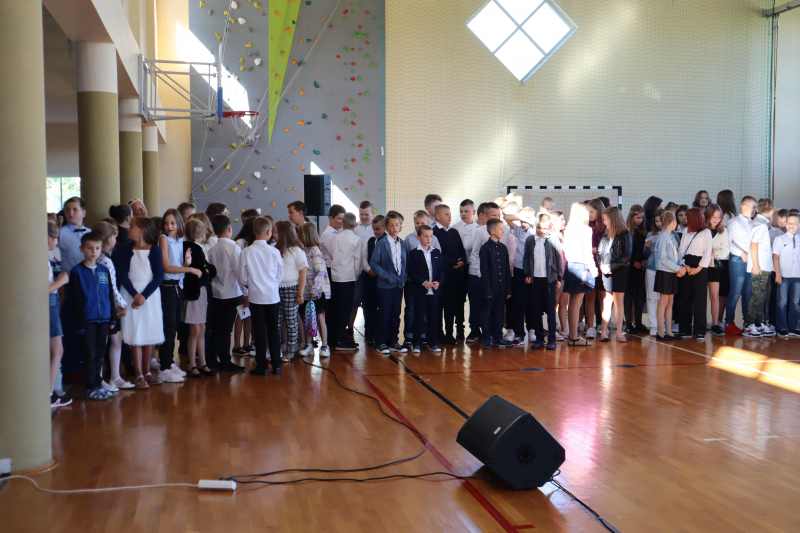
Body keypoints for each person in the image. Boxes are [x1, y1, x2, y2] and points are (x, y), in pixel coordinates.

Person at [113, 217, 165, 389]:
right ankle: (138, 374)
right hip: (130, 294)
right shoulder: (124, 249)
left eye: (132, 227)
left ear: (142, 230)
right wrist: (135, 295)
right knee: (135, 332)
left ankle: (147, 370)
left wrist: (144, 296)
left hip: (150, 296)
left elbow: (158, 276)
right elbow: (122, 275)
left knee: (149, 331)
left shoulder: (154, 249)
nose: (129, 229)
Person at [65, 232, 116, 400]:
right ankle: (91, 386)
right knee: (90, 353)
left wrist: (113, 317)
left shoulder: (104, 270)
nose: (94, 252)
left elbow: (109, 294)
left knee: (100, 353)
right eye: (90, 248)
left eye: (97, 248)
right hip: (87, 319)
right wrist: (78, 322)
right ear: (82, 249)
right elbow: (73, 299)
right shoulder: (77, 272)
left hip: (104, 318)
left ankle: (98, 383)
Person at [158, 209, 199, 383]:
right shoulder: (163, 239)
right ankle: (164, 366)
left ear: (179, 224)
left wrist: (186, 262)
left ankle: (168, 361)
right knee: (168, 326)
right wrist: (189, 269)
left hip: (177, 286)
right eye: (167, 223)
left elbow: (178, 265)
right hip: (167, 287)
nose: (169, 226)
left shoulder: (179, 240)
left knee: (174, 326)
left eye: (173, 223)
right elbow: (166, 267)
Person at [239, 217, 283, 375]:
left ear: (253, 232)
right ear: (269, 232)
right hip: (272, 296)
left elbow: (242, 277)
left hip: (256, 297)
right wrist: (272, 285)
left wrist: (250, 285)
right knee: (274, 330)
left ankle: (261, 365)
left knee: (259, 331)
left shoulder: (246, 252)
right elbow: (280, 274)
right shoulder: (275, 252)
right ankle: (277, 364)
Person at [92, 221, 130, 392]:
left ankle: (112, 377)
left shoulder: (97, 259)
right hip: (108, 308)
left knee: (111, 340)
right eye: (114, 237)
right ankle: (106, 378)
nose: (116, 240)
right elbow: (112, 287)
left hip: (101, 307)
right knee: (109, 342)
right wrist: (122, 305)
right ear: (108, 239)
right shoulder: (106, 262)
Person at [207, 214, 246, 372]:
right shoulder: (234, 248)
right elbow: (239, 272)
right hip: (231, 293)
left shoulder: (212, 249)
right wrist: (245, 291)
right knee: (226, 330)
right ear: (229, 229)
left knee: (216, 328)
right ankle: (225, 361)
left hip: (216, 293)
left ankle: (212, 360)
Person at [369, 212, 408, 354]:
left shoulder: (402, 243)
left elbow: (404, 263)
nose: (394, 228)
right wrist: (387, 276)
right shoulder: (382, 243)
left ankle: (393, 341)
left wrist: (403, 277)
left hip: (398, 285)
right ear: (386, 227)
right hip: (385, 285)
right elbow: (374, 263)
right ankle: (381, 342)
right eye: (391, 225)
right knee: (384, 313)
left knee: (395, 314)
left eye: (397, 225)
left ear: (400, 227)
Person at [183, 219, 216, 377]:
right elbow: (203, 270)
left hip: (200, 291)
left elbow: (207, 269)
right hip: (194, 291)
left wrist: (208, 272)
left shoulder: (198, 248)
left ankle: (202, 362)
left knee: (201, 327)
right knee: (195, 329)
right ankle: (192, 363)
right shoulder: (192, 248)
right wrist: (207, 273)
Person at [403, 211, 441, 348]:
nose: (419, 225)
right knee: (414, 312)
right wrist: (421, 281)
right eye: (417, 223)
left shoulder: (435, 245)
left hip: (432, 287)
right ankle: (412, 339)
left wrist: (438, 281)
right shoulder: (410, 242)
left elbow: (439, 266)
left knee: (431, 314)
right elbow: (409, 266)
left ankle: (429, 339)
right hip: (416, 286)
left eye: (423, 223)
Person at [523, 218, 562, 350]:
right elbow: (526, 258)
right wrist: (527, 274)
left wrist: (559, 278)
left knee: (550, 310)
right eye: (539, 228)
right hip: (535, 279)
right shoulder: (530, 240)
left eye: (544, 228)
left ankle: (552, 339)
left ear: (549, 228)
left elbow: (558, 259)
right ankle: (539, 338)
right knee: (536, 309)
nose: (541, 231)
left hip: (549, 280)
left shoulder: (552, 240)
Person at [562, 202, 598, 346]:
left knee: (573, 303)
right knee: (577, 303)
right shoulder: (586, 230)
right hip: (582, 266)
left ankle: (572, 334)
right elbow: (587, 253)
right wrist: (593, 269)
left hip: (571, 266)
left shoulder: (568, 229)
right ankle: (574, 337)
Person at [466, 202, 501, 343]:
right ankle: (474, 331)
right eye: (493, 215)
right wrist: (479, 274)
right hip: (477, 275)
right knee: (476, 304)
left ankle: (490, 332)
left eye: (498, 215)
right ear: (485, 216)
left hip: (492, 277)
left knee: (489, 305)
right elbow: (474, 254)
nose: (496, 218)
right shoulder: (479, 231)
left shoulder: (500, 230)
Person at [273, 221, 308, 360]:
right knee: (277, 320)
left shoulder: (296, 251)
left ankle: (291, 349)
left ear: (284, 234)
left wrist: (300, 293)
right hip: (275, 289)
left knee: (291, 320)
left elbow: (303, 272)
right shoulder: (274, 249)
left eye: (276, 232)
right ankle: (278, 347)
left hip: (291, 289)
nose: (273, 234)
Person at [433, 204, 467, 344]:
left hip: (456, 276)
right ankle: (439, 333)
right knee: (440, 306)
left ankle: (451, 333)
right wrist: (453, 262)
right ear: (437, 216)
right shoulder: (434, 232)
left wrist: (462, 261)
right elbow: (437, 254)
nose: (450, 216)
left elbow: (461, 250)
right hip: (442, 276)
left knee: (452, 306)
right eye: (446, 214)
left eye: (450, 213)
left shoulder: (454, 232)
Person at [677, 208, 713, 340]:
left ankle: (699, 331)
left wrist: (698, 269)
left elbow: (708, 253)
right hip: (686, 264)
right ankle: (684, 329)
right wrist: (685, 266)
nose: (685, 219)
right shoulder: (685, 231)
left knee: (700, 300)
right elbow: (681, 251)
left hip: (700, 267)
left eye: (688, 217)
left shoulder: (706, 232)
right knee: (685, 298)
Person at [329, 213, 363, 351]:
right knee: (346, 310)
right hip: (349, 277)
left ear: (343, 223)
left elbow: (332, 254)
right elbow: (358, 261)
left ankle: (333, 338)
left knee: (336, 308)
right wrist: (356, 275)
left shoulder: (335, 237)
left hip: (335, 277)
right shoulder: (356, 239)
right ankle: (340, 340)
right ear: (354, 224)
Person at [298, 222, 331, 358]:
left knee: (319, 317)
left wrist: (315, 289)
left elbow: (320, 272)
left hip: (317, 292)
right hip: (306, 292)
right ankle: (309, 345)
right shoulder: (303, 251)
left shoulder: (315, 251)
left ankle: (325, 346)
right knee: (308, 318)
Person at [598, 207, 632, 342]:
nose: (604, 222)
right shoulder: (605, 234)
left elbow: (626, 256)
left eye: (605, 219)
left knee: (618, 302)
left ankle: (619, 332)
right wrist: (601, 265)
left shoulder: (625, 234)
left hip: (619, 271)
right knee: (607, 301)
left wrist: (610, 267)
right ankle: (604, 331)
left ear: (613, 219)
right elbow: (600, 252)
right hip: (606, 272)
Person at [743, 200, 775, 337]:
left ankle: (758, 323)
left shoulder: (760, 223)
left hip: (764, 265)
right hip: (760, 266)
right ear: (770, 210)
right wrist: (756, 265)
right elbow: (754, 245)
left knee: (762, 296)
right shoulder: (760, 225)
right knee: (757, 296)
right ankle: (749, 325)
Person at [725, 196, 756, 335]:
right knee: (735, 291)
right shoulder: (733, 222)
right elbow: (729, 242)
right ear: (743, 206)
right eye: (752, 207)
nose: (754, 210)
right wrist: (741, 252)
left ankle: (747, 323)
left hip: (750, 260)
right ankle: (729, 323)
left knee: (748, 293)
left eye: (755, 207)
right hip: (737, 260)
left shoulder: (753, 223)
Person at [47, 221, 71, 408]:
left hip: (52, 302)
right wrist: (61, 281)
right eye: (54, 238)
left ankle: (51, 390)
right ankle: (48, 392)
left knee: (56, 350)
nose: (56, 242)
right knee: (57, 349)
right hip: (49, 303)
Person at [479, 219, 512, 348]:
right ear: (492, 231)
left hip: (501, 287)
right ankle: (486, 338)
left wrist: (508, 289)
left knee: (499, 313)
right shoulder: (485, 248)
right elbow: (484, 271)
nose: (502, 231)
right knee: (487, 313)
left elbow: (507, 270)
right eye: (500, 229)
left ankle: (498, 337)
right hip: (490, 287)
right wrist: (487, 290)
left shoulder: (503, 248)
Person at [654, 211, 684, 340]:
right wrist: (678, 268)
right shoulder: (663, 237)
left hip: (671, 272)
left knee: (670, 302)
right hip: (664, 273)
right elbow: (662, 259)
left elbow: (675, 256)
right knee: (663, 302)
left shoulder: (670, 236)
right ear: (672, 222)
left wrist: (680, 266)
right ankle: (661, 332)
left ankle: (669, 331)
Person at [773, 213, 800, 336]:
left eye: (794, 223)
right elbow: (776, 257)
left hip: (797, 276)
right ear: (786, 224)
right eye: (789, 223)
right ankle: (782, 327)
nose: (791, 225)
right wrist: (778, 273)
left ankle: (793, 327)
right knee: (782, 302)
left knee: (795, 302)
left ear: (799, 225)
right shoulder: (780, 239)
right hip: (783, 276)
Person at [706, 204, 729, 336]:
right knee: (699, 296)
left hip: (715, 266)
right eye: (713, 217)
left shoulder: (723, 231)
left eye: (718, 217)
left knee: (714, 296)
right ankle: (698, 322)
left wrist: (713, 253)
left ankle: (715, 323)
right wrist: (712, 251)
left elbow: (725, 250)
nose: (716, 220)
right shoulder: (703, 229)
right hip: (701, 266)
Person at [362, 215, 385, 346]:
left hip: (382, 281)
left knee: (381, 309)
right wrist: (368, 269)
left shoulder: (387, 241)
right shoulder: (371, 241)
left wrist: (378, 272)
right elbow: (364, 258)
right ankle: (369, 334)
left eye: (378, 229)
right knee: (368, 307)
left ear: (384, 227)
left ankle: (379, 335)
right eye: (374, 229)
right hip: (369, 279)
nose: (376, 232)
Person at [585, 198, 606, 340]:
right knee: (590, 297)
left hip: (603, 267)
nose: (589, 214)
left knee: (603, 298)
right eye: (588, 212)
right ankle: (590, 327)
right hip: (590, 267)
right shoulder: (586, 226)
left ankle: (603, 326)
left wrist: (599, 250)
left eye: (591, 212)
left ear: (599, 211)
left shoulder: (605, 227)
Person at [625, 205, 647, 333]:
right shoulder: (627, 231)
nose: (640, 220)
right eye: (638, 217)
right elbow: (626, 251)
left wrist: (644, 260)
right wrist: (633, 262)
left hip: (640, 268)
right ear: (631, 216)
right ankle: (628, 323)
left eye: (642, 218)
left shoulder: (643, 231)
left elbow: (643, 249)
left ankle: (638, 322)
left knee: (639, 297)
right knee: (629, 297)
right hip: (629, 268)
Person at [644, 209, 664, 335]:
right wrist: (646, 247)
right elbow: (645, 254)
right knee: (652, 297)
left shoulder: (672, 235)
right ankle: (653, 325)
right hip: (652, 268)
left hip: (666, 270)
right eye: (657, 221)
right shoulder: (650, 234)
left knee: (663, 299)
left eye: (661, 220)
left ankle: (663, 324)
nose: (659, 223)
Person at [320, 204, 345, 270]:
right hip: (330, 269)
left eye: (343, 219)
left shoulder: (339, 231)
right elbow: (336, 256)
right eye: (339, 218)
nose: (342, 222)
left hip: (336, 268)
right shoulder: (328, 234)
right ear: (331, 218)